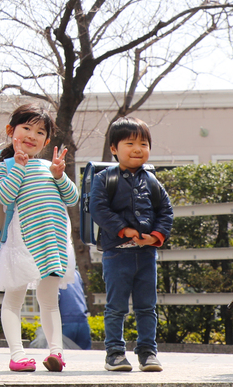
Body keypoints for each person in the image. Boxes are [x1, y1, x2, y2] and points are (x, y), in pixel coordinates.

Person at [0, 103, 80, 373]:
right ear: (10, 131)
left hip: (52, 241)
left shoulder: (48, 167)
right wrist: (17, 166)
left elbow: (72, 199)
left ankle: (56, 353)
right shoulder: (2, 166)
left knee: (50, 300)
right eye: (26, 128)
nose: (32, 135)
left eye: (39, 132)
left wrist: (60, 175)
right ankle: (17, 354)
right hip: (22, 242)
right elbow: (5, 196)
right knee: (13, 298)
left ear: (47, 140)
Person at [91, 117, 173, 374]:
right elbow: (98, 208)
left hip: (146, 254)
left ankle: (148, 352)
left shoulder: (151, 180)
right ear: (114, 148)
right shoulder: (105, 178)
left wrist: (156, 235)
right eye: (130, 143)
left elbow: (166, 211)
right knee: (116, 307)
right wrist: (123, 229)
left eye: (143, 143)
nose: (138, 149)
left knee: (147, 306)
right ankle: (114, 354)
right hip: (116, 255)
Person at [30, 270, 93, 352]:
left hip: (65, 322)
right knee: (85, 355)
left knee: (61, 353)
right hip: (83, 321)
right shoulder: (76, 273)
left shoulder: (53, 272)